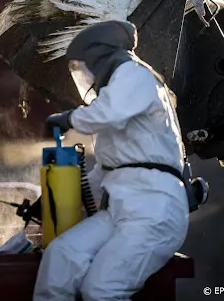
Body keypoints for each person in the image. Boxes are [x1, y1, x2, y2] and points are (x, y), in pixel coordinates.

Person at [33, 20, 190, 301]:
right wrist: (53, 199)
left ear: (99, 58)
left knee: (103, 290)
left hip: (153, 209)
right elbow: (103, 173)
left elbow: (105, 113)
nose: (84, 76)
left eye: (84, 67)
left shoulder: (134, 74)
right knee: (61, 256)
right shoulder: (117, 101)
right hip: (122, 210)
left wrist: (69, 118)